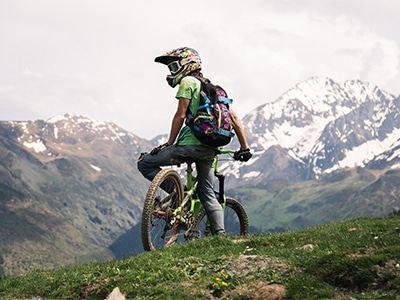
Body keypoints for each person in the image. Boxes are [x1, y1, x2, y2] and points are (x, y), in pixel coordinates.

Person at [137, 47, 252, 236]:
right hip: (209, 149)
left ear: (187, 65)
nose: (172, 72)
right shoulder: (215, 90)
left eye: (174, 66)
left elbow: (180, 114)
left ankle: (177, 194)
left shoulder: (187, 82)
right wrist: (244, 147)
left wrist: (169, 142)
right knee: (207, 193)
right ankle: (220, 236)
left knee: (145, 163)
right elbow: (235, 120)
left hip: (188, 146)